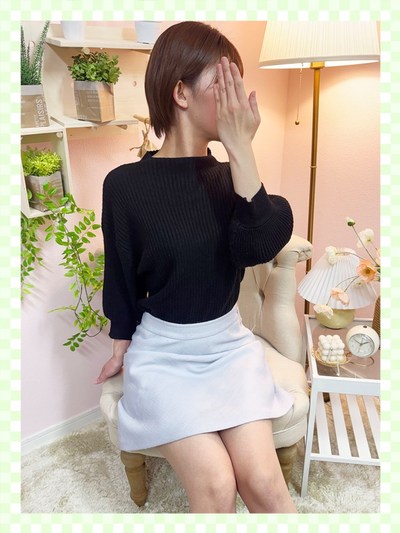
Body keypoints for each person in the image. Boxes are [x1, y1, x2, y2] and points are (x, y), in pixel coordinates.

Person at [95, 21, 297, 513]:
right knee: (215, 486)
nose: (237, 102)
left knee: (265, 483)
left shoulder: (233, 178)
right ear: (181, 93)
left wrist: (240, 147)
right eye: (223, 85)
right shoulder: (124, 186)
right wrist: (121, 342)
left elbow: (257, 245)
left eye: (239, 86)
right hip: (164, 356)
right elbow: (120, 273)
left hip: (228, 348)